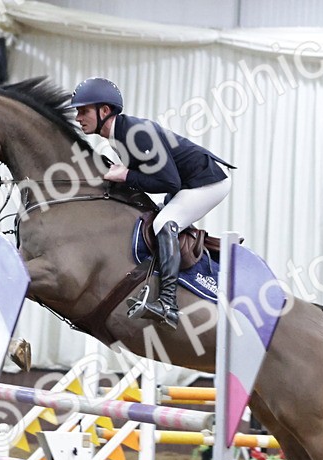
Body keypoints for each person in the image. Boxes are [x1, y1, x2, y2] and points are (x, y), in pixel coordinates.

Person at [70, 77, 234, 328]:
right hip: (189, 180)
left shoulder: (136, 134)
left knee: (164, 223)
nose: (78, 117)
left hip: (208, 181)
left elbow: (169, 183)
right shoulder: (118, 135)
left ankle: (168, 304)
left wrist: (125, 175)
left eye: (83, 110)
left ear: (104, 111)